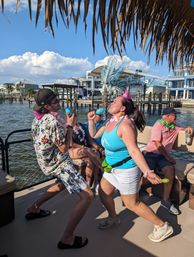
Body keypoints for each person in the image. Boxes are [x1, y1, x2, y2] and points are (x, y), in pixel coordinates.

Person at [87, 89, 173, 243]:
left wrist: (147, 171)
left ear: (122, 108)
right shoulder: (110, 121)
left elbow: (133, 150)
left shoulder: (125, 125)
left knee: (131, 203)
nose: (112, 102)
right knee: (104, 193)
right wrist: (90, 121)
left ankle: (162, 226)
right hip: (111, 169)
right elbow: (94, 135)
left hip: (126, 169)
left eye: (115, 101)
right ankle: (113, 218)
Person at [26, 88, 93, 249]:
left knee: (62, 184)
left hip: (45, 162)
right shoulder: (52, 121)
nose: (59, 103)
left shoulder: (38, 119)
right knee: (88, 196)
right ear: (47, 106)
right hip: (58, 163)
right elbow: (64, 148)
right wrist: (69, 126)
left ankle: (33, 208)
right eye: (55, 101)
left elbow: (32, 136)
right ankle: (67, 237)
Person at [143, 107, 193, 215]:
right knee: (147, 173)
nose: (176, 117)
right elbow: (157, 144)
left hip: (162, 157)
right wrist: (169, 157)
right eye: (174, 115)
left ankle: (165, 201)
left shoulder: (173, 126)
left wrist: (188, 128)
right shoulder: (158, 125)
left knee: (170, 170)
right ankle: (133, 192)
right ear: (167, 116)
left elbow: (182, 130)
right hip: (151, 153)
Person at [68, 115, 104, 190]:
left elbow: (90, 140)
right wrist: (84, 147)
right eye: (71, 117)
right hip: (73, 150)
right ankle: (103, 170)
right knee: (89, 152)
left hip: (86, 149)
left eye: (75, 116)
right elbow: (71, 144)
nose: (73, 118)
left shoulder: (81, 126)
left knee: (92, 158)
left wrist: (98, 148)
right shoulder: (67, 128)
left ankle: (93, 183)